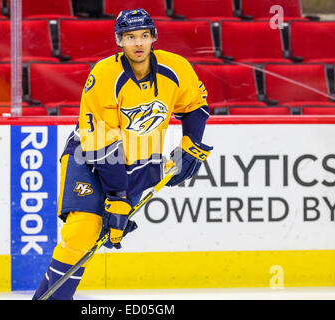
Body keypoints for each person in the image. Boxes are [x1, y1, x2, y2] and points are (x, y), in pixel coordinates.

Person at [32, 8, 213, 300]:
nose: (138, 43)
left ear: (154, 37)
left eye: (144, 35)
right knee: (83, 230)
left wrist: (191, 143)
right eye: (130, 37)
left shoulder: (176, 68)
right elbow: (101, 143)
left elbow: (195, 105)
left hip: (141, 161)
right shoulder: (104, 75)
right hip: (89, 156)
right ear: (120, 42)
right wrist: (118, 197)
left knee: (99, 234)